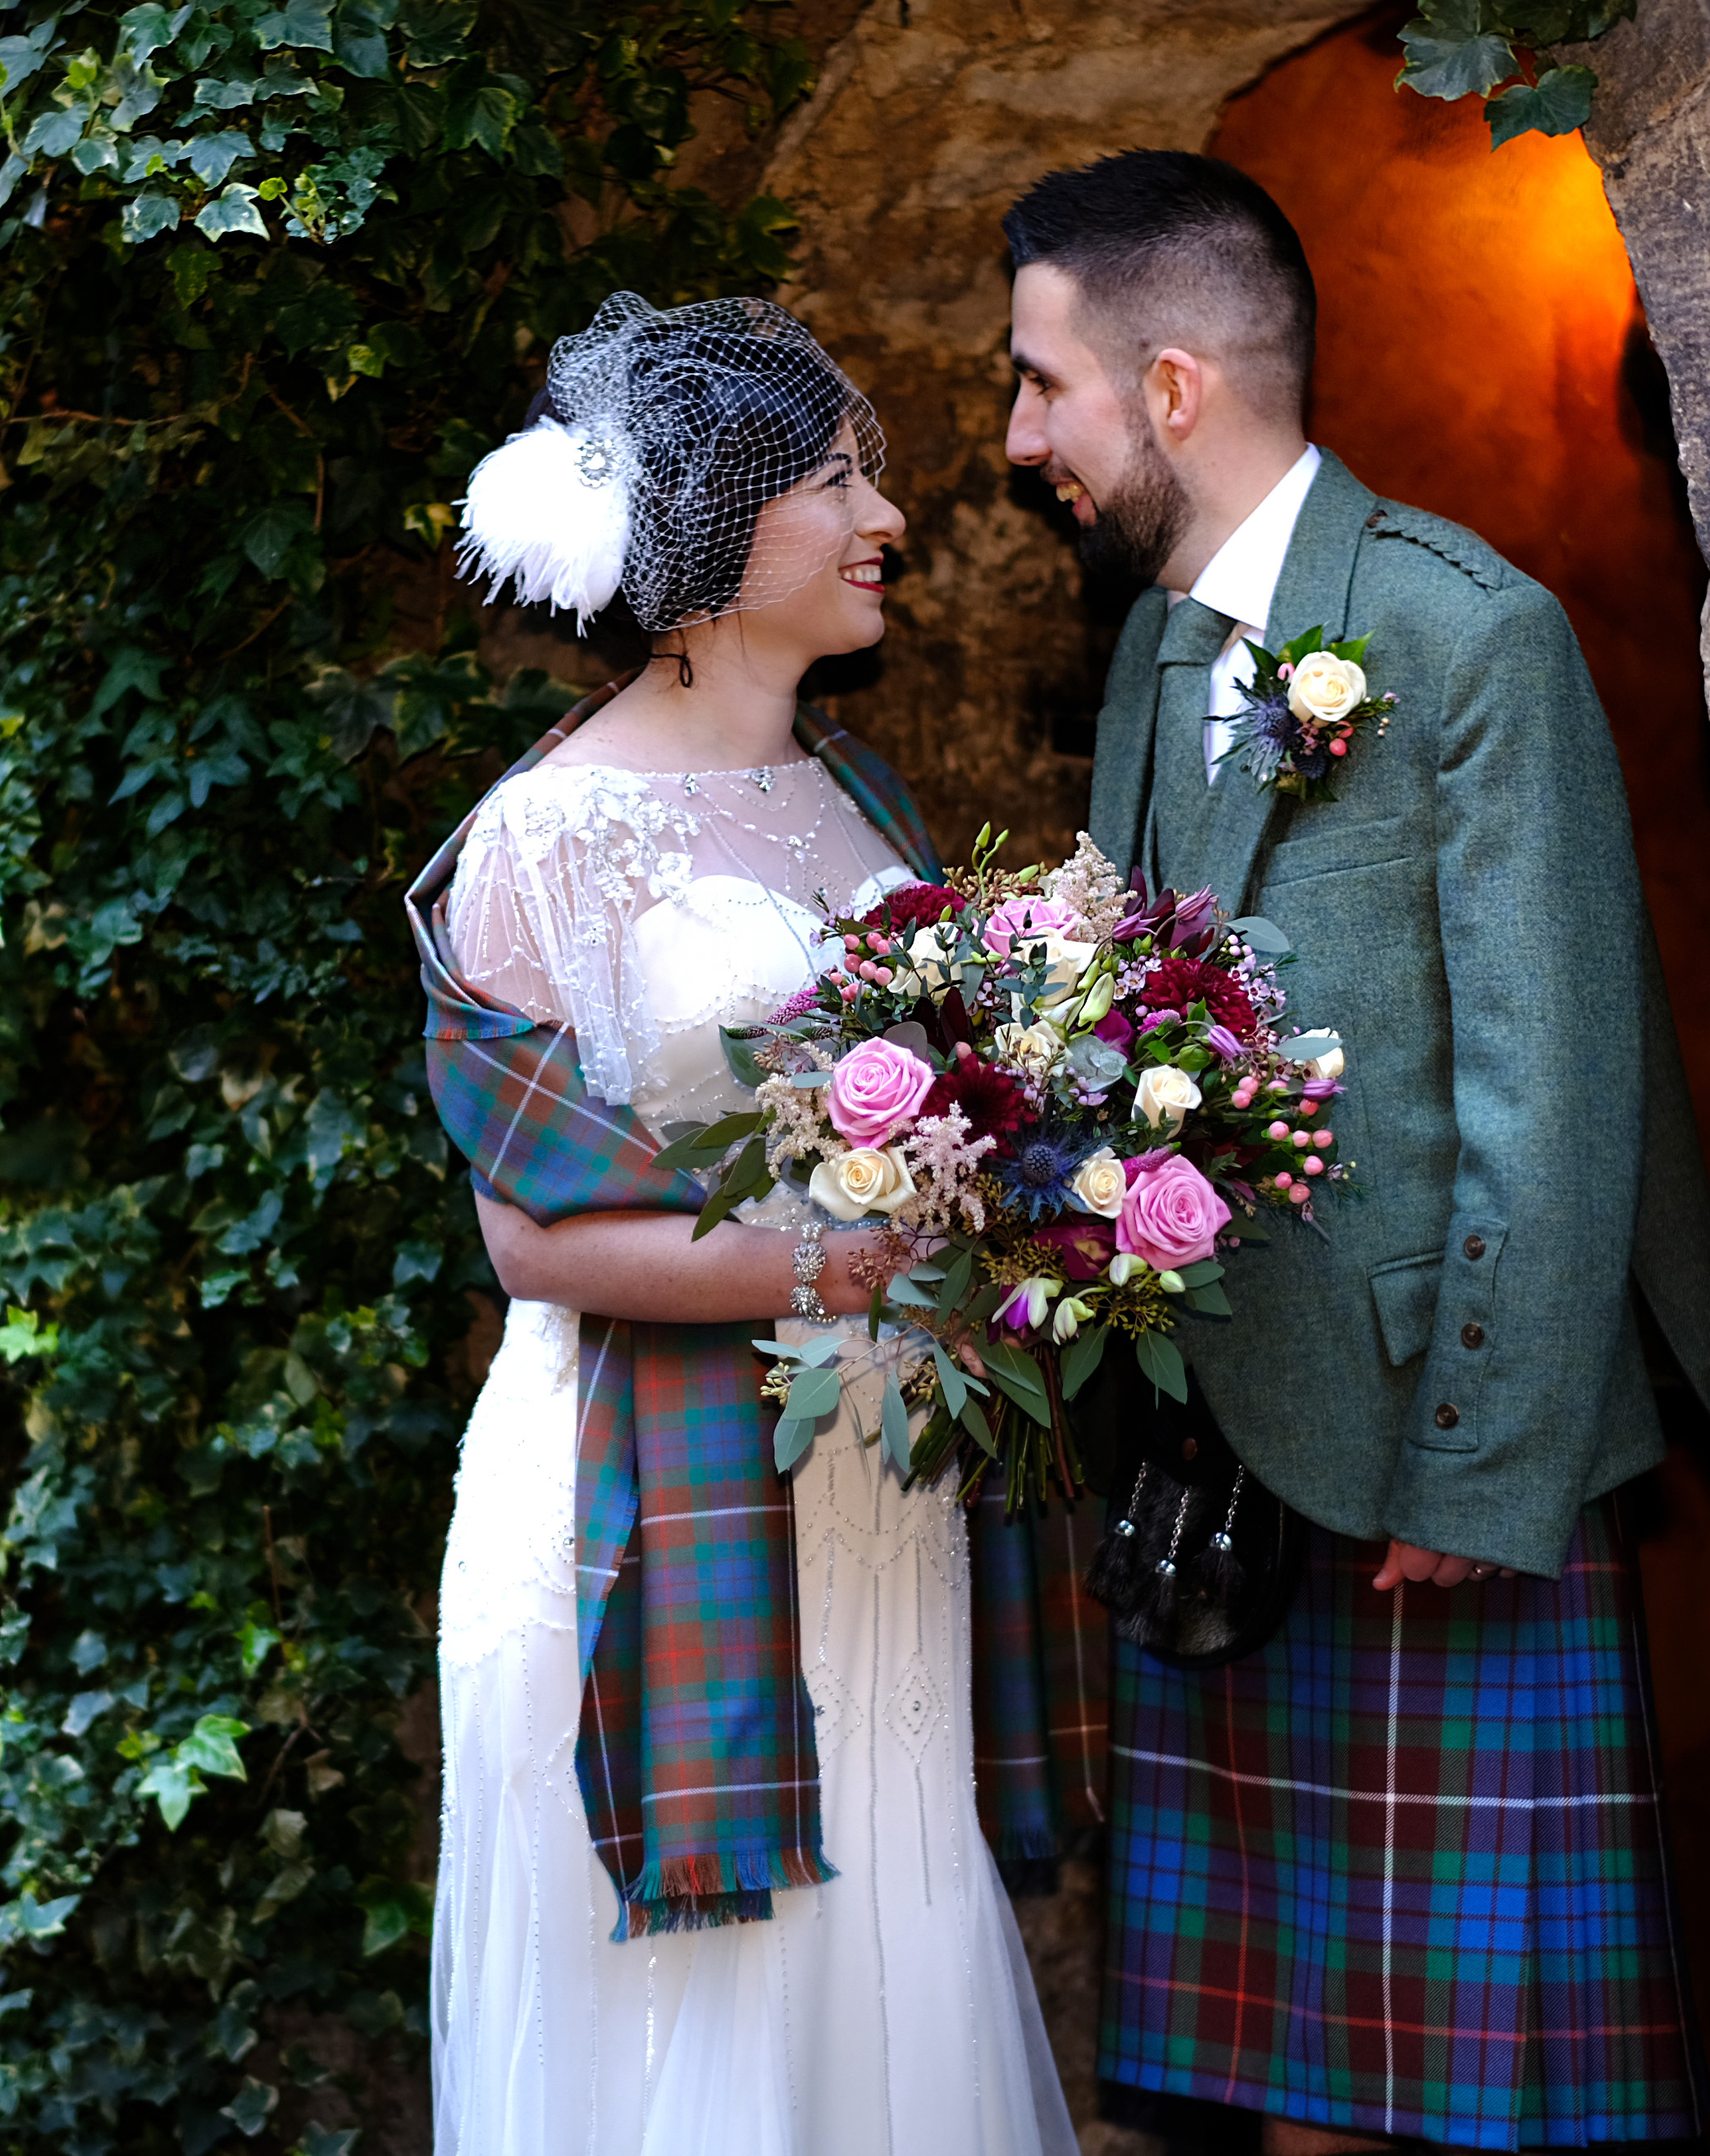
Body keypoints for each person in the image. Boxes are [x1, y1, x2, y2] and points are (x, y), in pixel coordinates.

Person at [999, 153, 1710, 2154]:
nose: (1014, 439)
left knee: (1452, 2095)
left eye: (1039, 385)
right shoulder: (1159, 651)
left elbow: (1554, 1089)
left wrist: (1475, 1471)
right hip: (1234, 1442)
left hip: (1434, 1439)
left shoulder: (1461, 631)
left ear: (1165, 389)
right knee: (1289, 2077)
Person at [406, 293, 1083, 2156]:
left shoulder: (853, 792)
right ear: (704, 543)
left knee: (889, 1947)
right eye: (834, 480)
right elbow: (527, 1242)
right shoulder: (538, 837)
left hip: (877, 1486)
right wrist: (847, 1267)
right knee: (681, 2035)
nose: (884, 513)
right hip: (646, 1499)